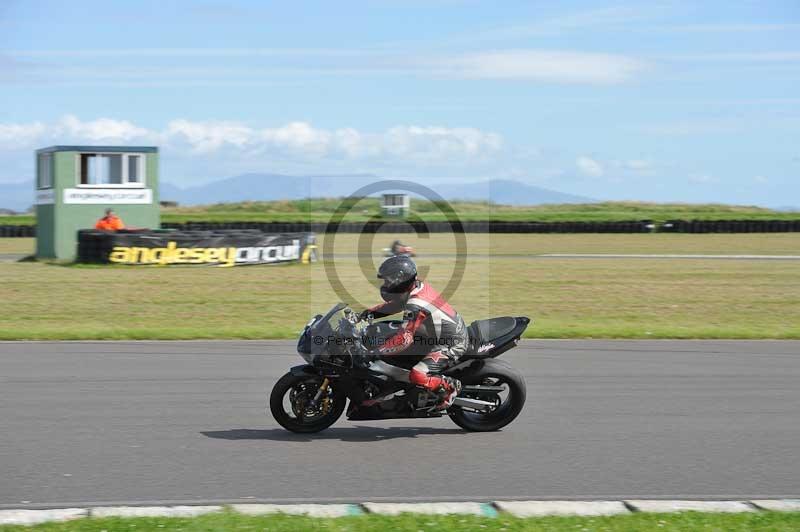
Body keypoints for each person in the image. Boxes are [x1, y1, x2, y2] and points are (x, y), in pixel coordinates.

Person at [360, 255, 465, 410]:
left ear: (400, 280)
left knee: (417, 374)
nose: (385, 284)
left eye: (388, 280)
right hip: (432, 335)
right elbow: (396, 304)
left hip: (450, 343)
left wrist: (376, 352)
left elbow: (404, 339)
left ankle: (450, 386)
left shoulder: (416, 304)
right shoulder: (414, 288)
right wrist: (366, 314)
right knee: (386, 336)